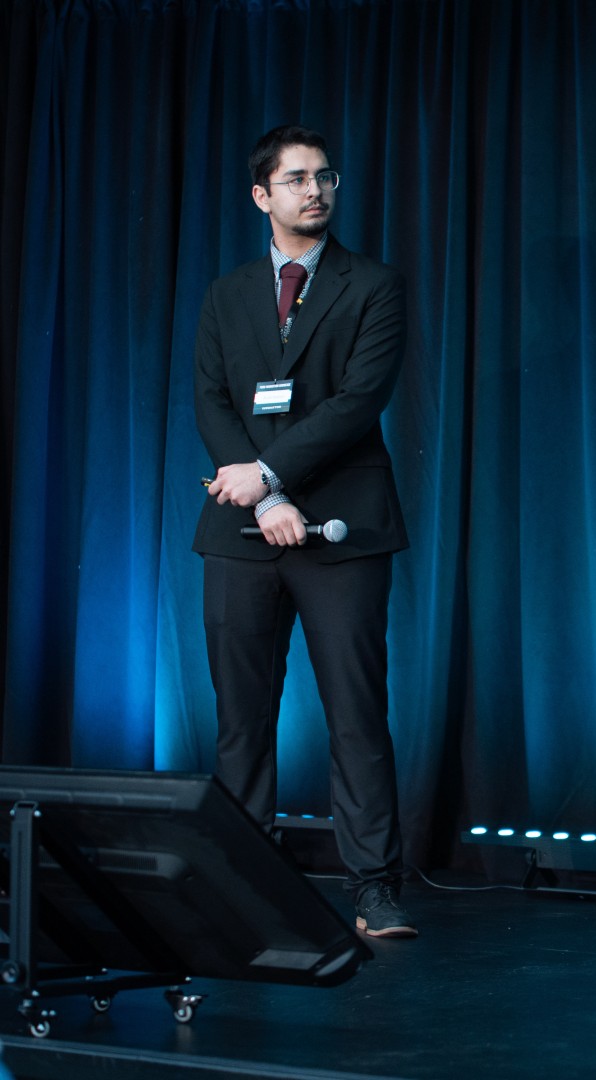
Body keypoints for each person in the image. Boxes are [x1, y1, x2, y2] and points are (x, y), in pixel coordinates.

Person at [193, 125, 416, 938]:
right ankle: (244, 885)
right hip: (242, 531)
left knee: (356, 716)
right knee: (241, 720)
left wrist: (268, 477)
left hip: (342, 531)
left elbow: (358, 401)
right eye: (295, 179)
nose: (315, 190)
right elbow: (212, 401)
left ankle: (374, 890)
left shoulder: (374, 285)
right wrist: (261, 500)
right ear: (263, 196)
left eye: (324, 176)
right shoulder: (226, 294)